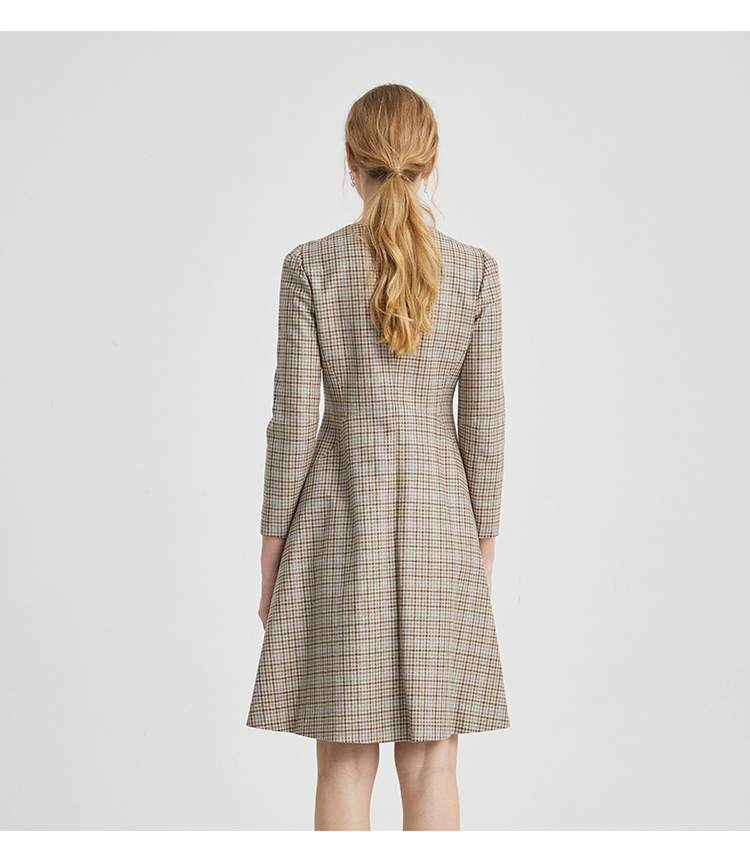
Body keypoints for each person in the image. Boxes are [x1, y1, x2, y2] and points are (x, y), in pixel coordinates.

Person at [246, 83, 509, 831]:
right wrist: (481, 551)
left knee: (344, 762)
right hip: (442, 526)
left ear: (350, 157)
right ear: (432, 161)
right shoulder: (476, 272)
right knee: (431, 764)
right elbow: (485, 425)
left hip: (337, 519)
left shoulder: (311, 266)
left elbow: (293, 424)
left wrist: (271, 555)